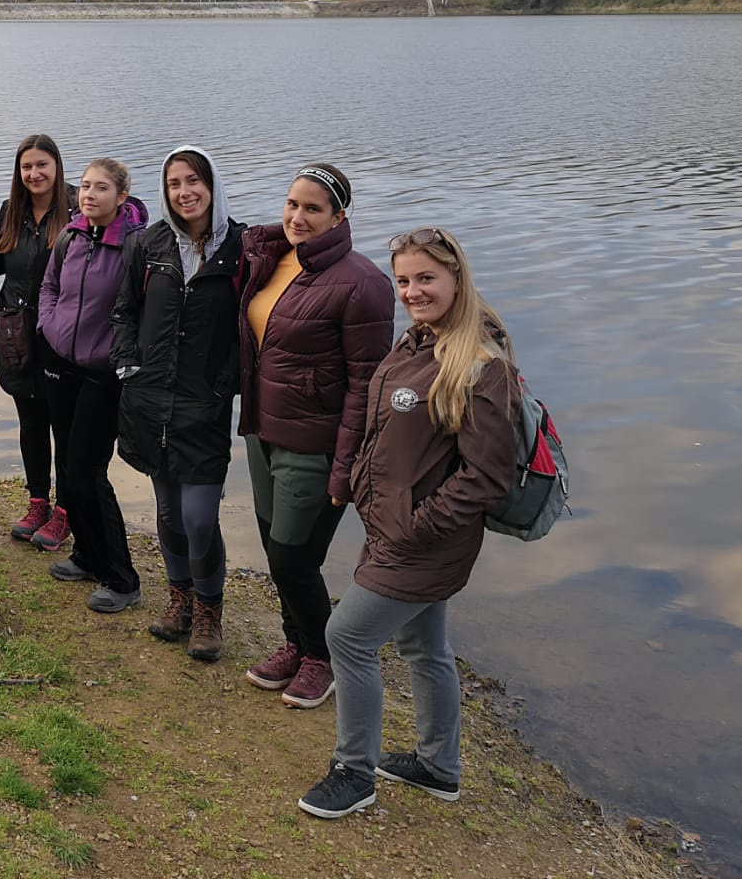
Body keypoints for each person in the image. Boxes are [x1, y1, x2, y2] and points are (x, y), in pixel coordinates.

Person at [297, 227, 518, 820]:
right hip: (393, 528)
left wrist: (417, 525)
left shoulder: (480, 365)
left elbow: (487, 477)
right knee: (424, 645)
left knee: (346, 635)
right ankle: (438, 767)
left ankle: (354, 772)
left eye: (427, 278)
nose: (413, 291)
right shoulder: (419, 342)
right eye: (403, 280)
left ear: (456, 279)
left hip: (423, 540)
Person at [239, 164, 393, 708]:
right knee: (271, 544)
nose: (297, 217)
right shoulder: (274, 260)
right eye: (292, 204)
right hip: (262, 432)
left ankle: (322, 660)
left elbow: (366, 387)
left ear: (339, 217)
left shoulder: (362, 283)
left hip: (315, 443)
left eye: (313, 208)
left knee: (292, 557)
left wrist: (345, 466)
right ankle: (296, 643)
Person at [112, 146, 244, 661]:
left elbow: (250, 325)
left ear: (212, 184)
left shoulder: (240, 247)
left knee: (198, 517)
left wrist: (227, 382)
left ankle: (210, 609)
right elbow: (124, 311)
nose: (185, 192)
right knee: (167, 511)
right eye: (174, 183)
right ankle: (180, 599)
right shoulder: (149, 244)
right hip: (149, 400)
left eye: (194, 181)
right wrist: (126, 363)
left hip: (204, 404)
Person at [37, 158, 148, 611]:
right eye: (84, 186)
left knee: (88, 471)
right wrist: (50, 325)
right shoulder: (70, 236)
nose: (89, 194)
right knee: (67, 466)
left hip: (104, 374)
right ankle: (86, 553)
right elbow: (49, 286)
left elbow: (144, 310)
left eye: (101, 188)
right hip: (63, 364)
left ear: (122, 196)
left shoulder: (136, 246)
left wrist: (122, 356)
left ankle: (122, 578)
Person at [0, 135, 78, 547]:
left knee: (67, 427)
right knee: (31, 422)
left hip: (61, 335)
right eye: (26, 167)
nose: (34, 174)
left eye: (42, 165)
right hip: (16, 333)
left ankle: (66, 511)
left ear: (57, 167)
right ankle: (38, 500)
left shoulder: (78, 209)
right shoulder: (12, 211)